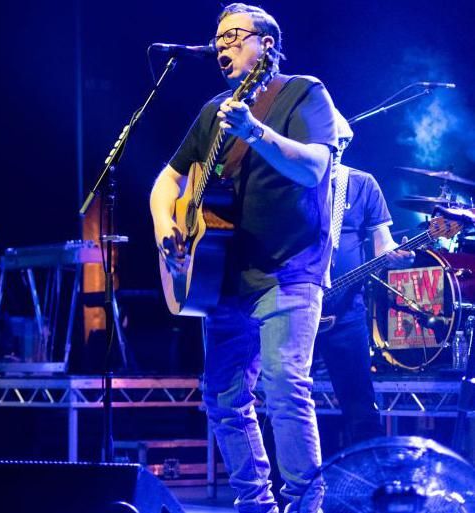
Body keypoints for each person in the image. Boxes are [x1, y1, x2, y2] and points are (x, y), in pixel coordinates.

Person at [150, 4, 338, 512]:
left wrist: (256, 133)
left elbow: (316, 168)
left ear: (266, 46)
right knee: (222, 396)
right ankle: (254, 504)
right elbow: (167, 181)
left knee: (283, 385)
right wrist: (167, 225)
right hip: (225, 276)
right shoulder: (214, 110)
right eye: (217, 40)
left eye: (232, 36)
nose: (221, 48)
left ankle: (305, 505)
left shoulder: (304, 92)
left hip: (289, 267)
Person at [314, 110, 414, 444]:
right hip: (297, 305)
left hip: (345, 314)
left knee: (360, 406)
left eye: (344, 143)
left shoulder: (361, 184)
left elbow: (383, 245)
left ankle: (364, 485)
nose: (338, 148)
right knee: (287, 402)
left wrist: (396, 257)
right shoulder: (294, 182)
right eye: (333, 142)